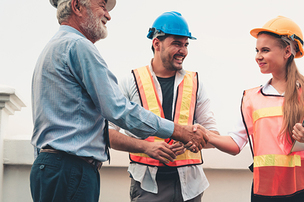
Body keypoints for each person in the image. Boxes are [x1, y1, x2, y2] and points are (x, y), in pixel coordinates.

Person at [30, 1, 208, 202]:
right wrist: (177, 131)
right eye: (102, 5)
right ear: (77, 6)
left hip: (53, 167)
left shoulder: (54, 46)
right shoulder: (79, 46)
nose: (108, 15)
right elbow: (117, 109)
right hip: (71, 169)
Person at [207, 16, 304, 202]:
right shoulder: (252, 98)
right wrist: (206, 135)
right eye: (256, 50)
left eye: (265, 50)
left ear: (287, 50)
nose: (258, 56)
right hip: (266, 191)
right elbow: (235, 144)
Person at [109, 11, 219, 202]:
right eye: (176, 43)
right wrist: (146, 147)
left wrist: (195, 140)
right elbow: (108, 133)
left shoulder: (196, 83)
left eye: (186, 44)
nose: (183, 50)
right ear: (156, 43)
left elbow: (213, 136)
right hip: (147, 187)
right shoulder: (130, 81)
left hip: (190, 189)